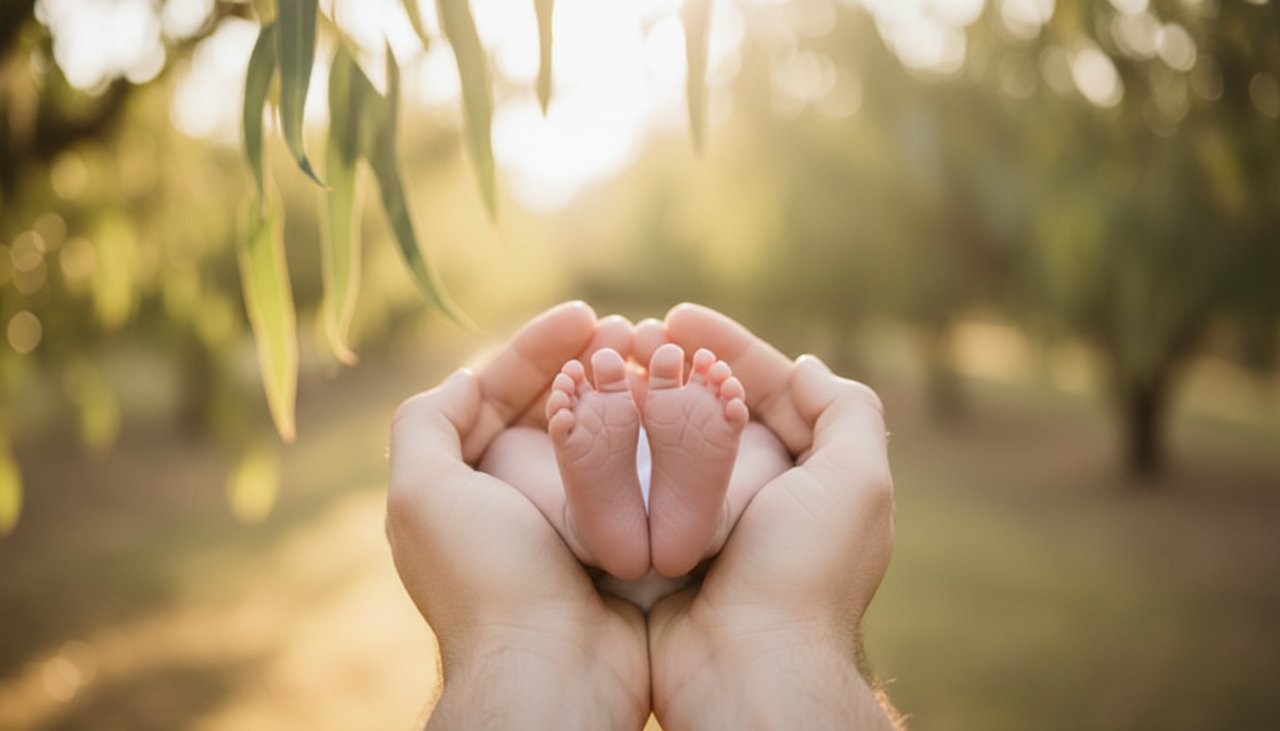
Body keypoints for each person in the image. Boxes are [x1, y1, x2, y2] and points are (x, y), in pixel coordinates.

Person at [387, 302, 900, 729]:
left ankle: (585, 529)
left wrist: (519, 632)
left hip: (580, 558)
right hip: (713, 558)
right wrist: (781, 630)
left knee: (513, 450)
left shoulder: (562, 416)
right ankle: (708, 522)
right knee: (762, 447)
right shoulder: (684, 407)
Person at [479, 342, 792, 609]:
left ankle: (574, 526)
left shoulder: (581, 430)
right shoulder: (695, 423)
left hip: (596, 528)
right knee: (763, 442)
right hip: (694, 530)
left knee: (511, 445)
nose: (636, 379)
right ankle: (717, 520)